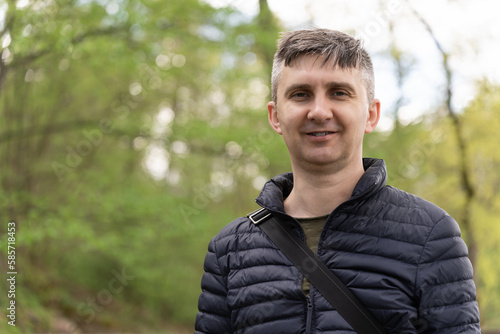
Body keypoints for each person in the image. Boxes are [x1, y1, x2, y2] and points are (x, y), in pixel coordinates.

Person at [194, 28, 480, 333]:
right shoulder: (229, 249)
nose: (318, 111)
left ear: (371, 114)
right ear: (275, 116)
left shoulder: (432, 236)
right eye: (300, 94)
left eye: (339, 93)